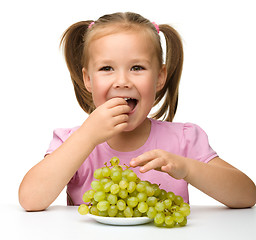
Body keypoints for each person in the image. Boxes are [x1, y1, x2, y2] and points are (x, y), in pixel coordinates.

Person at [19, 12, 256, 211]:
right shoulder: (71, 141)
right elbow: (30, 200)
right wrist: (87, 136)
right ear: (88, 79)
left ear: (160, 77)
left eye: (137, 67)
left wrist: (188, 168)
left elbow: (246, 196)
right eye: (107, 68)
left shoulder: (183, 139)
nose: (122, 81)